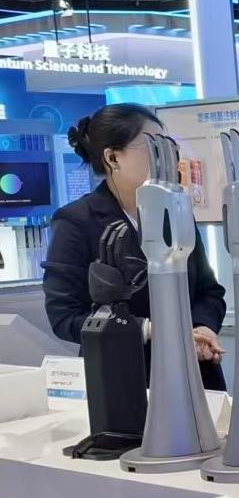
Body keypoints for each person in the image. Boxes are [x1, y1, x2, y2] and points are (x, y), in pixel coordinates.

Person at [43, 103, 227, 390]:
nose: (168, 155)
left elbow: (209, 291)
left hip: (195, 377)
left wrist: (202, 327)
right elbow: (65, 317)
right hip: (123, 381)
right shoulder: (77, 222)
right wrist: (151, 330)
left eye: (168, 144)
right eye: (153, 146)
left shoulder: (176, 211)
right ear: (113, 157)